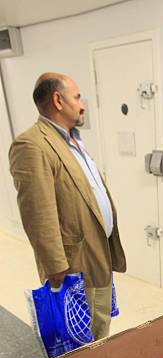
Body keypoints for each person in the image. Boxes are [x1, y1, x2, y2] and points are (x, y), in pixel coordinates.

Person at [9, 72, 126, 340]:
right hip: (74, 267)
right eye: (76, 97)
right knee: (81, 340)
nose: (82, 104)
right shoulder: (32, 145)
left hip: (98, 252)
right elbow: (37, 215)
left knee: (100, 325)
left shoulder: (72, 140)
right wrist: (57, 270)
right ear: (58, 100)